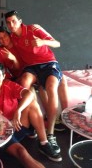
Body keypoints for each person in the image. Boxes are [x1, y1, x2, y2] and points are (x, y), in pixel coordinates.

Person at [4, 10, 64, 153]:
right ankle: (28, 124)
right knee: (24, 82)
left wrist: (42, 41)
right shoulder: (12, 37)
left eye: (13, 21)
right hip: (31, 68)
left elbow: (57, 43)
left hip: (48, 63)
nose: (11, 25)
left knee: (51, 87)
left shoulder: (33, 28)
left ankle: (50, 134)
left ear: (20, 21)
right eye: (8, 22)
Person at [0, 26, 69, 132]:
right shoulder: (1, 50)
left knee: (61, 80)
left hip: (34, 70)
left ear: (10, 35)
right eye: (0, 38)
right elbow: (12, 69)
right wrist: (14, 60)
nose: (3, 39)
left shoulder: (18, 41)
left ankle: (64, 116)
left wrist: (42, 41)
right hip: (23, 74)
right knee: (31, 87)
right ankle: (36, 122)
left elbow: (53, 44)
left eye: (5, 36)